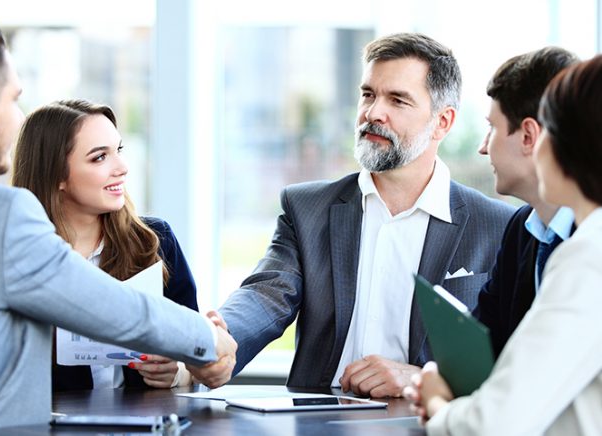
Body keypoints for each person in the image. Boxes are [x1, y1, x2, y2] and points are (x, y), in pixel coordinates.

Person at [0, 18, 235, 433]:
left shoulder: (151, 237)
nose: (16, 116)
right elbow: (117, 310)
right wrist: (206, 337)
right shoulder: (2, 215)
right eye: (12, 99)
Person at [212, 33, 514, 397]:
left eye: (397, 100)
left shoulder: (498, 227)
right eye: (368, 94)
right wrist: (212, 339)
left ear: (443, 122)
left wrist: (419, 378)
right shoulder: (307, 209)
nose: (372, 113)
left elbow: (509, 359)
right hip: (318, 424)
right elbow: (265, 298)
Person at [406, 54, 602, 435]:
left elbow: (494, 425)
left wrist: (435, 404)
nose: (483, 148)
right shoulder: (533, 233)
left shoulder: (590, 255)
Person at [12, 100, 197, 391]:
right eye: (100, 157)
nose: (122, 168)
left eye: (118, 151)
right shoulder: (17, 259)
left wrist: (178, 375)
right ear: (56, 174)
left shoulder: (155, 242)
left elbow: (194, 355)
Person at [472, 47, 578, 358]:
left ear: (528, 136)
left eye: (492, 128)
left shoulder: (591, 239)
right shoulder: (521, 228)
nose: (482, 147)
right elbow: (485, 343)